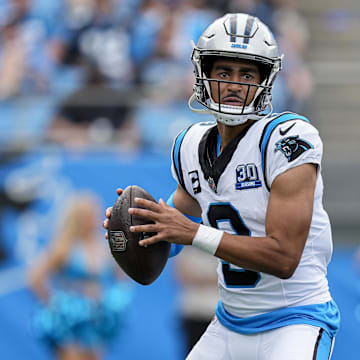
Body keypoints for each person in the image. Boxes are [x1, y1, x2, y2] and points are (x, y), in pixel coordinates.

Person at [103, 13, 340, 360]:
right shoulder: (190, 145)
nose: (234, 84)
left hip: (295, 321)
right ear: (204, 76)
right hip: (229, 324)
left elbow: (284, 256)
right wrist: (136, 226)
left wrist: (192, 234)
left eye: (247, 74)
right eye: (224, 72)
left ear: (266, 81)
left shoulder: (287, 140)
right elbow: (170, 233)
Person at [29, 192, 132, 360]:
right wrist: (53, 303)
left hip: (96, 316)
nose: (93, 219)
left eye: (94, 214)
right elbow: (35, 276)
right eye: (88, 216)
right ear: (78, 218)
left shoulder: (104, 246)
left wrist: (116, 298)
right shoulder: (64, 247)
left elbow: (122, 275)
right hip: (71, 319)